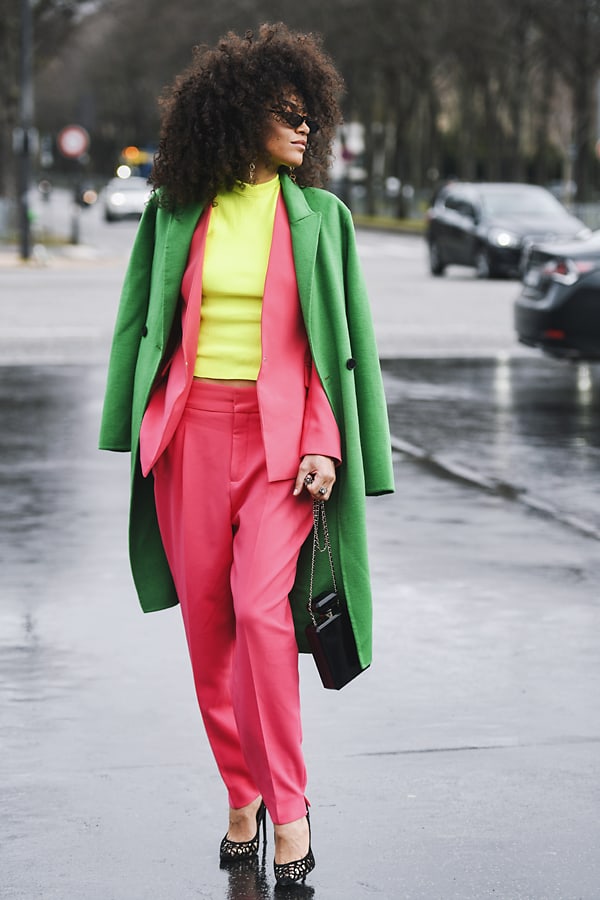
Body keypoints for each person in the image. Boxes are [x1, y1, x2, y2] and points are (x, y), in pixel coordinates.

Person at [99, 22, 394, 888]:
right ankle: (241, 796)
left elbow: (334, 350)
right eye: (287, 114)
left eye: (312, 117)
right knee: (209, 632)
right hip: (190, 439)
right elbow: (139, 326)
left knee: (265, 620)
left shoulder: (321, 221)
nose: (304, 130)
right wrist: (137, 422)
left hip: (280, 448)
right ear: (241, 114)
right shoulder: (176, 210)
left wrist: (326, 441)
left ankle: (291, 810)